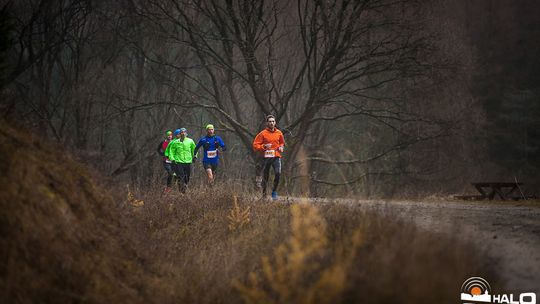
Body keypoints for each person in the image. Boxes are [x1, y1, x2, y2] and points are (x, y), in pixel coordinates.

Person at [252, 115, 285, 200]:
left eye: (273, 121)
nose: (271, 123)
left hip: (276, 157)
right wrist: (264, 146)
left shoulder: (279, 133)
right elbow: (255, 145)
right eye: (270, 121)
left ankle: (274, 192)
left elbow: (282, 143)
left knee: (278, 173)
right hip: (266, 158)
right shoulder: (262, 134)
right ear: (267, 123)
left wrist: (281, 147)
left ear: (275, 123)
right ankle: (264, 194)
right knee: (266, 176)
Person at [165, 128, 196, 193]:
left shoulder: (190, 141)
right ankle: (181, 191)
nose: (182, 133)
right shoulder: (175, 142)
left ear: (186, 133)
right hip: (178, 161)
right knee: (180, 176)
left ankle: (184, 186)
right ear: (179, 134)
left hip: (188, 161)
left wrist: (195, 156)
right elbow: (171, 151)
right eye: (181, 132)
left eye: (184, 132)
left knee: (187, 177)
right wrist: (171, 158)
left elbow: (194, 149)